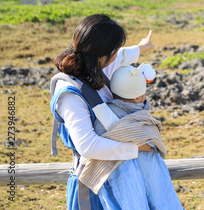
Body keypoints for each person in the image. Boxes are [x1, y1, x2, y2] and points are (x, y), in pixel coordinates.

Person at [50, 14, 157, 210]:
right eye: (113, 51)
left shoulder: (97, 67)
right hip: (94, 184)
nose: (117, 56)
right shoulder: (70, 94)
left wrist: (143, 47)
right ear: (100, 54)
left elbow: (123, 55)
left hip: (121, 177)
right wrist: (136, 148)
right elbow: (88, 145)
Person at [78, 60, 183, 209]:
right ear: (137, 98)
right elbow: (151, 143)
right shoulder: (142, 117)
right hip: (146, 169)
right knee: (161, 199)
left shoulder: (103, 117)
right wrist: (138, 144)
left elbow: (102, 137)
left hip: (117, 175)